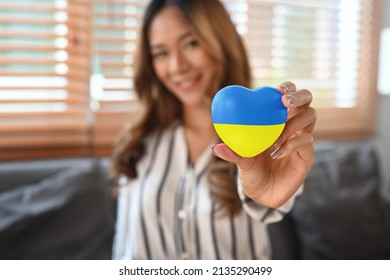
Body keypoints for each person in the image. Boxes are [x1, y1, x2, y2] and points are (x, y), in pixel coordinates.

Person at [111, 0, 317, 260]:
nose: (177, 67)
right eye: (161, 53)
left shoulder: (264, 134)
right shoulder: (139, 138)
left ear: (220, 41)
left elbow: (270, 203)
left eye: (191, 44)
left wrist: (267, 193)